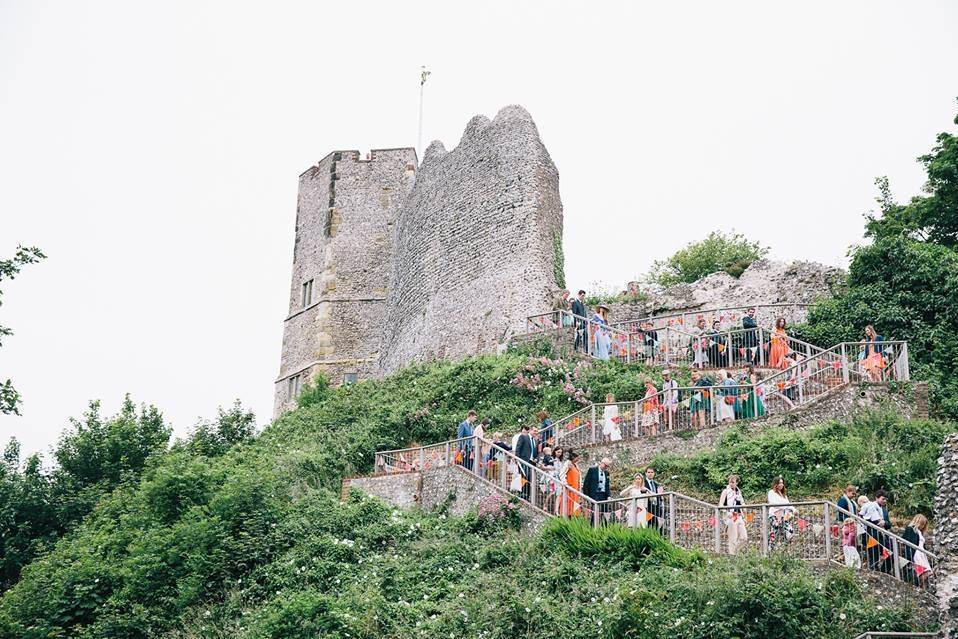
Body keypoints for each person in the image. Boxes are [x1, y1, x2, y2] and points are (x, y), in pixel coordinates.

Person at [718, 474, 747, 555]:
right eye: (730, 482)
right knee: (733, 538)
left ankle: (734, 552)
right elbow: (720, 505)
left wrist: (745, 515)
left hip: (739, 516)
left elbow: (743, 504)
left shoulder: (739, 493)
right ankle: (732, 555)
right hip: (731, 516)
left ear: (736, 483)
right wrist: (727, 513)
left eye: (733, 482)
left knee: (744, 538)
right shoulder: (725, 491)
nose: (731, 483)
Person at [902, 514, 932, 585]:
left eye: (924, 525)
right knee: (922, 571)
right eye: (922, 524)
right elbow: (905, 540)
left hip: (922, 554)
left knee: (928, 572)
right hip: (916, 553)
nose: (923, 526)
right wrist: (909, 555)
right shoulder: (910, 529)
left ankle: (919, 586)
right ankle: (918, 587)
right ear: (918, 521)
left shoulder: (920, 532)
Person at [767, 476, 795, 549]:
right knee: (774, 533)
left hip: (784, 515)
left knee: (789, 532)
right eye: (779, 483)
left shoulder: (784, 495)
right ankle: (770, 551)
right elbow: (773, 503)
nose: (781, 484)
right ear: (775, 484)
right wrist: (784, 507)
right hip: (774, 515)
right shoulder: (771, 492)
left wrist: (794, 509)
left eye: (782, 483)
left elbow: (788, 504)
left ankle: (783, 548)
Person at [583, 458, 613, 522]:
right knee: (594, 512)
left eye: (608, 466)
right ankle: (593, 527)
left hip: (603, 495)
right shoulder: (592, 470)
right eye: (606, 465)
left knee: (605, 512)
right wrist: (586, 496)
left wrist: (608, 496)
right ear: (601, 463)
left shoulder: (607, 473)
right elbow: (586, 483)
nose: (606, 467)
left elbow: (607, 485)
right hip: (594, 494)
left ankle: (604, 528)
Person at [514, 424, 537, 501]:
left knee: (529, 479)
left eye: (537, 431)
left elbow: (534, 452)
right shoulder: (523, 437)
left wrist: (535, 458)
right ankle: (522, 494)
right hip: (523, 461)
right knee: (524, 477)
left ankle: (527, 495)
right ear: (530, 430)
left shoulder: (535, 440)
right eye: (534, 430)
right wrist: (517, 458)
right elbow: (518, 447)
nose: (535, 432)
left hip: (531, 462)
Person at [643, 466, 664, 532]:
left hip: (656, 507)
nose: (650, 474)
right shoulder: (643, 483)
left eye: (652, 472)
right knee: (649, 525)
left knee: (658, 524)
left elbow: (660, 496)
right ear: (646, 473)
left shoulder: (656, 484)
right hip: (648, 506)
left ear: (654, 473)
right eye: (648, 472)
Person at [562, 450, 582, 516]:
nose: (578, 459)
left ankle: (574, 514)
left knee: (575, 502)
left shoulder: (576, 465)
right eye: (577, 458)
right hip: (571, 487)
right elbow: (562, 474)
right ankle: (569, 514)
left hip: (576, 488)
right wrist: (565, 483)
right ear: (573, 457)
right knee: (570, 502)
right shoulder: (568, 464)